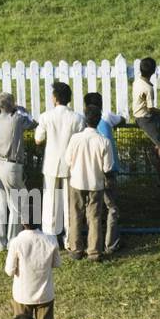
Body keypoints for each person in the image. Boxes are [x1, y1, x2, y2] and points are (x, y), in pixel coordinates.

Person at [35, 82, 83, 248]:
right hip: (71, 164)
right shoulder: (77, 118)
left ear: (55, 98)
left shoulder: (46, 116)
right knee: (70, 203)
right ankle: (70, 239)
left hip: (51, 164)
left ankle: (50, 239)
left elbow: (38, 139)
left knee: (50, 203)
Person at [64, 103, 114, 261]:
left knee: (75, 214)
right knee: (94, 217)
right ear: (99, 120)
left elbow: (67, 160)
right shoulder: (103, 141)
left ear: (85, 119)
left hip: (77, 181)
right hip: (95, 184)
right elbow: (108, 167)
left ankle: (76, 249)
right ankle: (93, 251)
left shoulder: (75, 138)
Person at [4, 220, 60, 319]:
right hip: (45, 293)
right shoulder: (51, 240)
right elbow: (56, 263)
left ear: (23, 223)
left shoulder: (16, 242)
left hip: (23, 295)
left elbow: (9, 270)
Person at [0, 94, 36, 252]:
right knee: (15, 205)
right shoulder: (17, 119)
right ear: (12, 105)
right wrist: (21, 109)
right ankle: (12, 241)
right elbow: (32, 122)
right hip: (11, 165)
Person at [85, 92, 125, 255]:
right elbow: (122, 119)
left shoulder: (84, 121)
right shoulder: (107, 116)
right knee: (112, 208)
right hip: (109, 171)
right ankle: (111, 244)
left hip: (91, 171)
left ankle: (93, 243)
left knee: (92, 208)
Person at [132, 58, 160, 181]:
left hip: (146, 115)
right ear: (154, 71)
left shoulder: (137, 81)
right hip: (144, 118)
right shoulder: (148, 88)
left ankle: (158, 148)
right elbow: (150, 109)